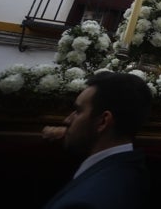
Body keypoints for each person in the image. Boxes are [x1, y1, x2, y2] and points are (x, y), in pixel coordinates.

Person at [42, 72, 152, 209]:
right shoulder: (132, 169)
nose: (67, 120)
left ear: (103, 121)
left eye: (78, 111)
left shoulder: (84, 204)